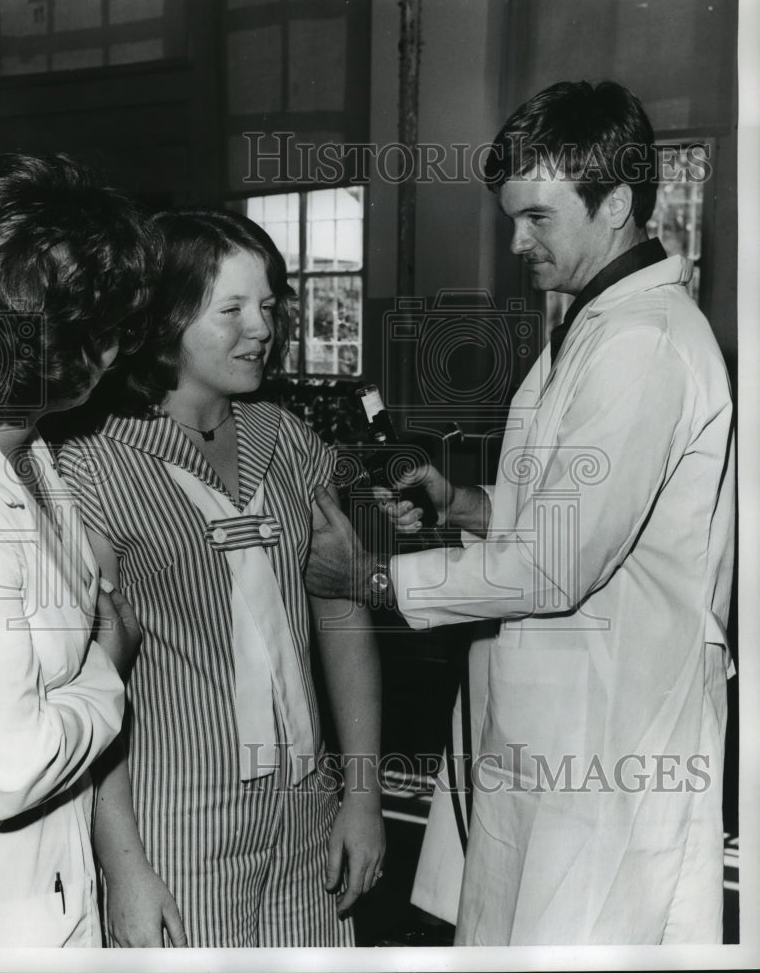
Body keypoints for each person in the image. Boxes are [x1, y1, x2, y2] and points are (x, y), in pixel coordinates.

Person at [305, 80, 736, 945]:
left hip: (606, 723)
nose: (515, 242)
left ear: (614, 202)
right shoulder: (594, 321)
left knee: (573, 933)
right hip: (550, 711)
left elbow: (552, 564)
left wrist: (371, 577)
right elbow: (569, 516)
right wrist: (463, 503)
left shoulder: (643, 343)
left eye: (536, 218)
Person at [57, 208, 384, 947]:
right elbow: (86, 680)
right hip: (175, 822)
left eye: (267, 305)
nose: (261, 328)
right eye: (230, 309)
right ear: (164, 317)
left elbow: (338, 614)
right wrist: (124, 866)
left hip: (307, 813)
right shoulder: (91, 462)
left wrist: (361, 796)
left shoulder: (286, 437)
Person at [0, 152, 159, 946]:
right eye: (107, 329)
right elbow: (6, 768)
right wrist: (107, 663)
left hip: (52, 892)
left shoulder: (31, 450)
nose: (119, 351)